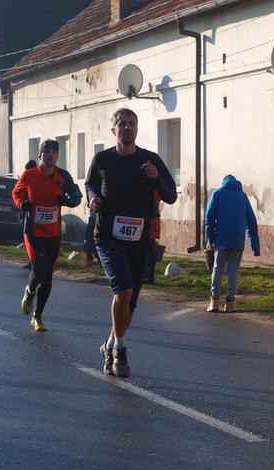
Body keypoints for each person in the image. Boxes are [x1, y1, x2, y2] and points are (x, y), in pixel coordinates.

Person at [85, 108, 177, 377]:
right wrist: (92, 198)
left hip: (140, 239)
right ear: (113, 130)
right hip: (108, 235)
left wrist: (156, 178)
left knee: (131, 300)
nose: (127, 128)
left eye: (132, 124)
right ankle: (121, 349)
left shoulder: (150, 160)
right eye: (122, 123)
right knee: (123, 290)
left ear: (137, 129)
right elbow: (89, 185)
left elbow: (171, 195)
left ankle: (109, 344)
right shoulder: (102, 159)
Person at [12, 140, 82, 331]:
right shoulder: (29, 175)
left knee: (48, 277)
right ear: (40, 155)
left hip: (53, 233)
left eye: (54, 152)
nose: (50, 155)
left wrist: (69, 201)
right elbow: (16, 193)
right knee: (40, 269)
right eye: (47, 152)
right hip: (33, 231)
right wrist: (21, 204)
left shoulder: (64, 176)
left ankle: (38, 316)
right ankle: (29, 291)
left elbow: (77, 195)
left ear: (57, 156)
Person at [204, 174, 260, 313]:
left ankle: (214, 301)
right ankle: (230, 302)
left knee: (217, 269)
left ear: (223, 182)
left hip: (221, 239)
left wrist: (210, 238)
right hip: (237, 238)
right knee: (233, 270)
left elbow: (209, 217)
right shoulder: (243, 196)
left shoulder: (217, 194)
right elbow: (252, 221)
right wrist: (255, 246)